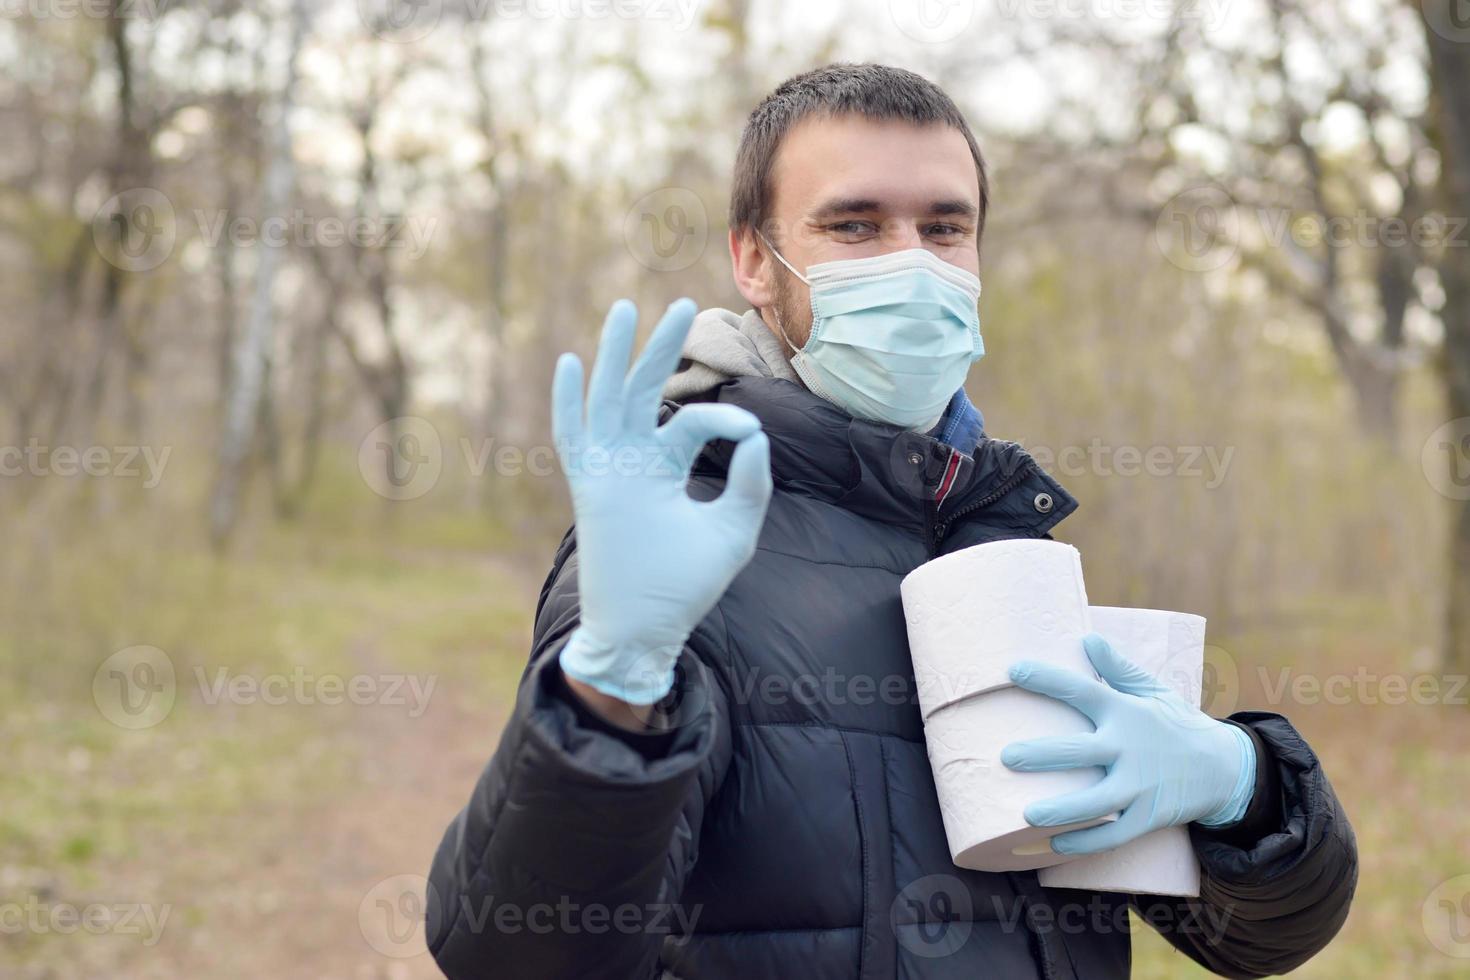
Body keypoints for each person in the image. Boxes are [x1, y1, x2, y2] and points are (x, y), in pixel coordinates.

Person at [427, 63, 1357, 979]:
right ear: (754, 260)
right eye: (855, 226)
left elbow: (1259, 943)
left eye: (945, 228)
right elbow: (515, 953)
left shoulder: (1005, 536)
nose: (911, 261)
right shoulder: (670, 547)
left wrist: (1242, 788)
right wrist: (610, 696)